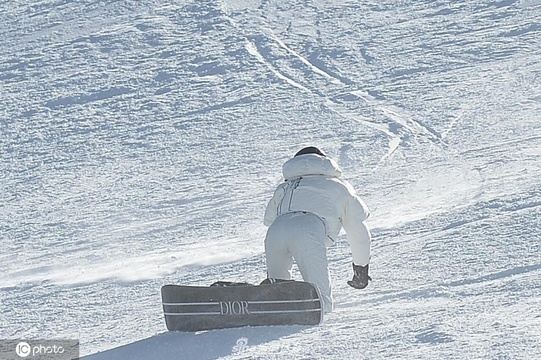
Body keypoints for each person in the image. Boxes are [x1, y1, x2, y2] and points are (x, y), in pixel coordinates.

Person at [263, 146, 372, 313]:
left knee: (278, 290)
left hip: (276, 230)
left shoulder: (286, 186)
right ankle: (318, 309)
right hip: (308, 229)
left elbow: (269, 219)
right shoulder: (338, 186)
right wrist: (361, 269)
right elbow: (358, 233)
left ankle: (272, 301)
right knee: (320, 300)